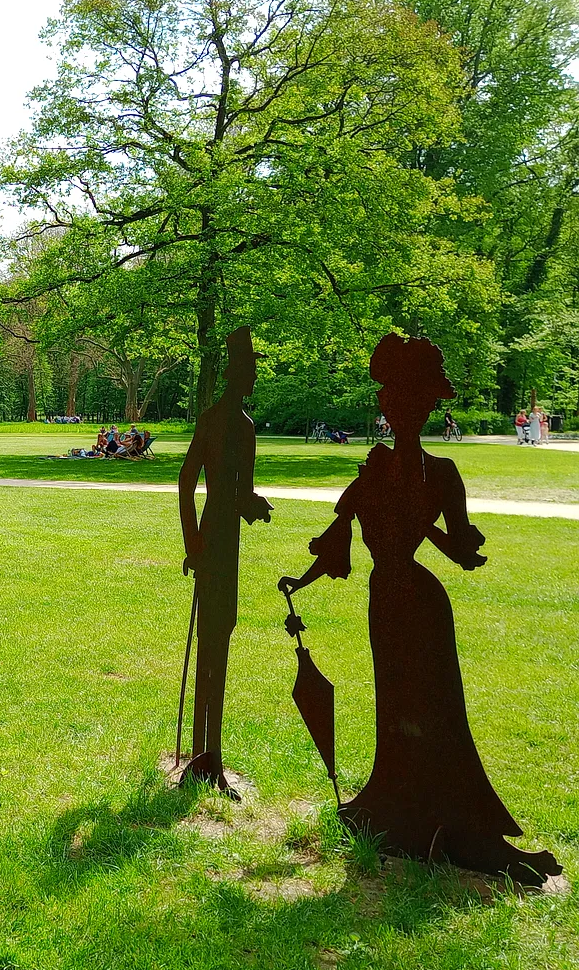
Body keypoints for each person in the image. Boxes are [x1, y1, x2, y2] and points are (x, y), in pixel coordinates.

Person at [279, 334, 560, 885]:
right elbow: (338, 544)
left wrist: (420, 525)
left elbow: (461, 552)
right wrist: (301, 581)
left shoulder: (435, 472)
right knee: (399, 707)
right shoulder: (379, 472)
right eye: (393, 405)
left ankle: (459, 824)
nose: (399, 414)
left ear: (423, 407)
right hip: (390, 600)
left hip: (415, 601)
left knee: (436, 709)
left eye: (409, 405)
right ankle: (400, 809)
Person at [178, 326, 274, 794]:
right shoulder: (214, 420)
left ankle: (212, 752)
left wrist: (253, 506)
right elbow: (186, 482)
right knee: (208, 641)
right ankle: (199, 751)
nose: (254, 378)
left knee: (224, 633)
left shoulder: (248, 428)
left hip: (230, 539)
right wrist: (193, 541)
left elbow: (241, 493)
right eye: (250, 370)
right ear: (237, 373)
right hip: (213, 537)